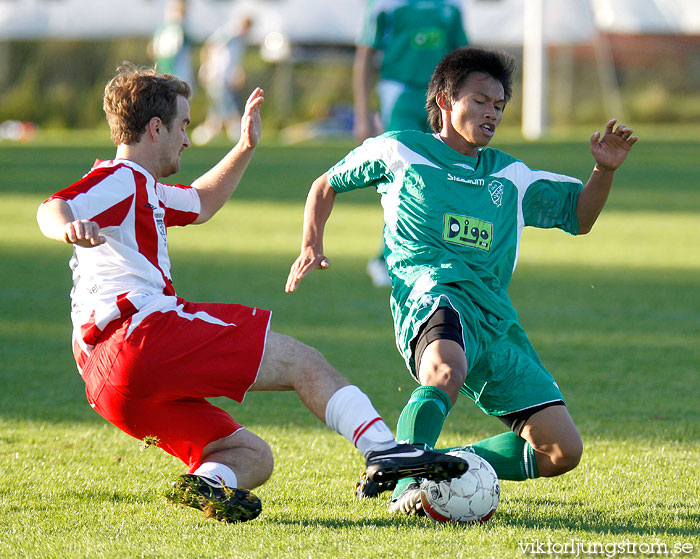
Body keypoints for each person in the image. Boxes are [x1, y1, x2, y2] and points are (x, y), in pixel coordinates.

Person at [35, 64, 468, 523]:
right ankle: (384, 449)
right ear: (155, 127)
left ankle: (206, 484)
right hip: (140, 337)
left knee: (251, 455)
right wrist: (68, 227)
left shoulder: (147, 191)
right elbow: (52, 207)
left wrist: (244, 147)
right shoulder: (122, 178)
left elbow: (202, 201)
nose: (186, 138)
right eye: (182, 126)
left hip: (109, 385)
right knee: (305, 362)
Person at [286, 47, 638, 515]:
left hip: (493, 318)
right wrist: (312, 243)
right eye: (480, 100)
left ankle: (443, 463)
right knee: (445, 371)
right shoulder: (400, 150)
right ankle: (403, 488)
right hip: (430, 293)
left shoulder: (509, 176)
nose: (491, 113)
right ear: (444, 100)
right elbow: (325, 184)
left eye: (498, 105)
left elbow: (580, 215)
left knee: (561, 452)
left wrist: (603, 171)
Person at [354, 0, 468, 287]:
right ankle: (385, 258)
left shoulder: (451, 6)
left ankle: (435, 256)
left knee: (445, 177)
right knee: (405, 176)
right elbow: (366, 55)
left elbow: (463, 56)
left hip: (443, 97)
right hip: (401, 95)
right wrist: (362, 113)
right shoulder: (385, 4)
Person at [192, 16, 253, 145]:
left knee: (218, 106)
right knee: (225, 103)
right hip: (217, 76)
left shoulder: (238, 39)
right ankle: (236, 130)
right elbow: (210, 46)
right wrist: (208, 67)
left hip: (225, 77)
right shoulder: (230, 33)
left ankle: (210, 131)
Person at [148, 0, 195, 88]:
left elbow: (151, 50)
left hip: (163, 75)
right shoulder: (177, 26)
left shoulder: (162, 27)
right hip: (176, 74)